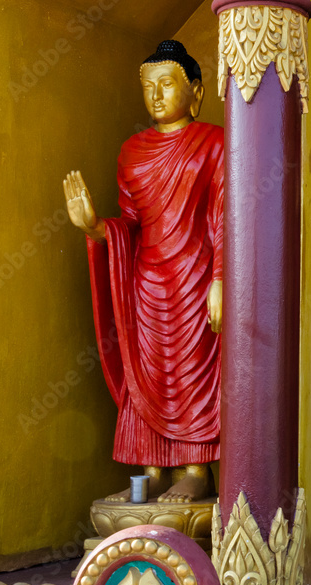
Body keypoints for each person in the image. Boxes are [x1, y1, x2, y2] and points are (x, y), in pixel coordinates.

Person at [63, 40, 224, 503]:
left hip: (195, 277)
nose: (156, 95)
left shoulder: (214, 142)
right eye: (148, 86)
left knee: (191, 371)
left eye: (167, 83)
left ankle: (196, 468)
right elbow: (130, 224)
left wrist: (219, 280)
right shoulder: (131, 151)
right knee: (147, 372)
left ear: (195, 92)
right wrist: (95, 226)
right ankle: (150, 469)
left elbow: (223, 215)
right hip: (146, 281)